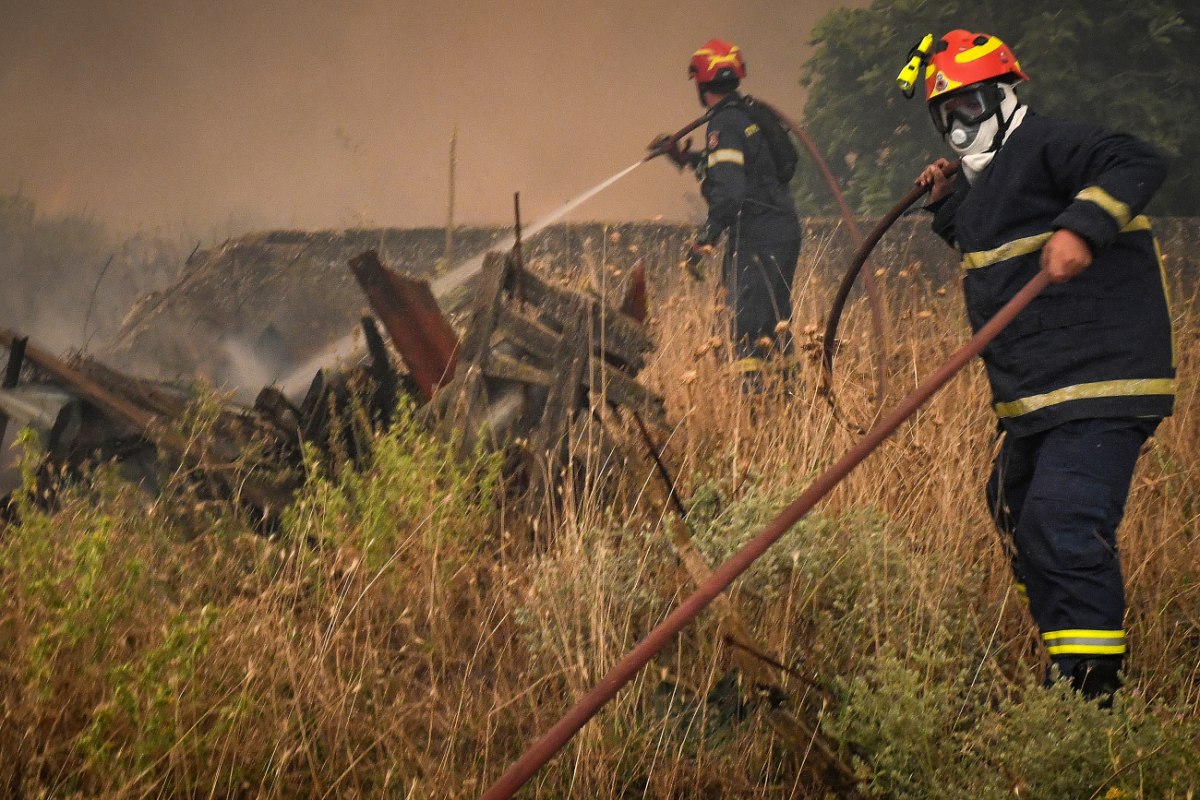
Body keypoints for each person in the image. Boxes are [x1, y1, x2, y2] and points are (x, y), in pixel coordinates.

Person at [913, 30, 1174, 702]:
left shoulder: (1050, 144)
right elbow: (992, 239)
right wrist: (948, 202)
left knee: (1060, 520)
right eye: (947, 116)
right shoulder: (995, 177)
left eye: (970, 106)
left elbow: (1136, 160)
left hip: (1099, 384)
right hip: (1042, 397)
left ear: (1003, 95)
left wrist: (1084, 226)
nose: (960, 125)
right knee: (1013, 504)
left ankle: (1092, 696)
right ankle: (1067, 650)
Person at [650, 38, 804, 389]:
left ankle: (751, 409)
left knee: (745, 328)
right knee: (775, 325)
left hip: (757, 237)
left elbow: (730, 193)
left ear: (703, 86)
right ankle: (792, 406)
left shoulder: (724, 126)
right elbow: (740, 171)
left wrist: (705, 240)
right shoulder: (749, 116)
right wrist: (686, 159)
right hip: (782, 232)